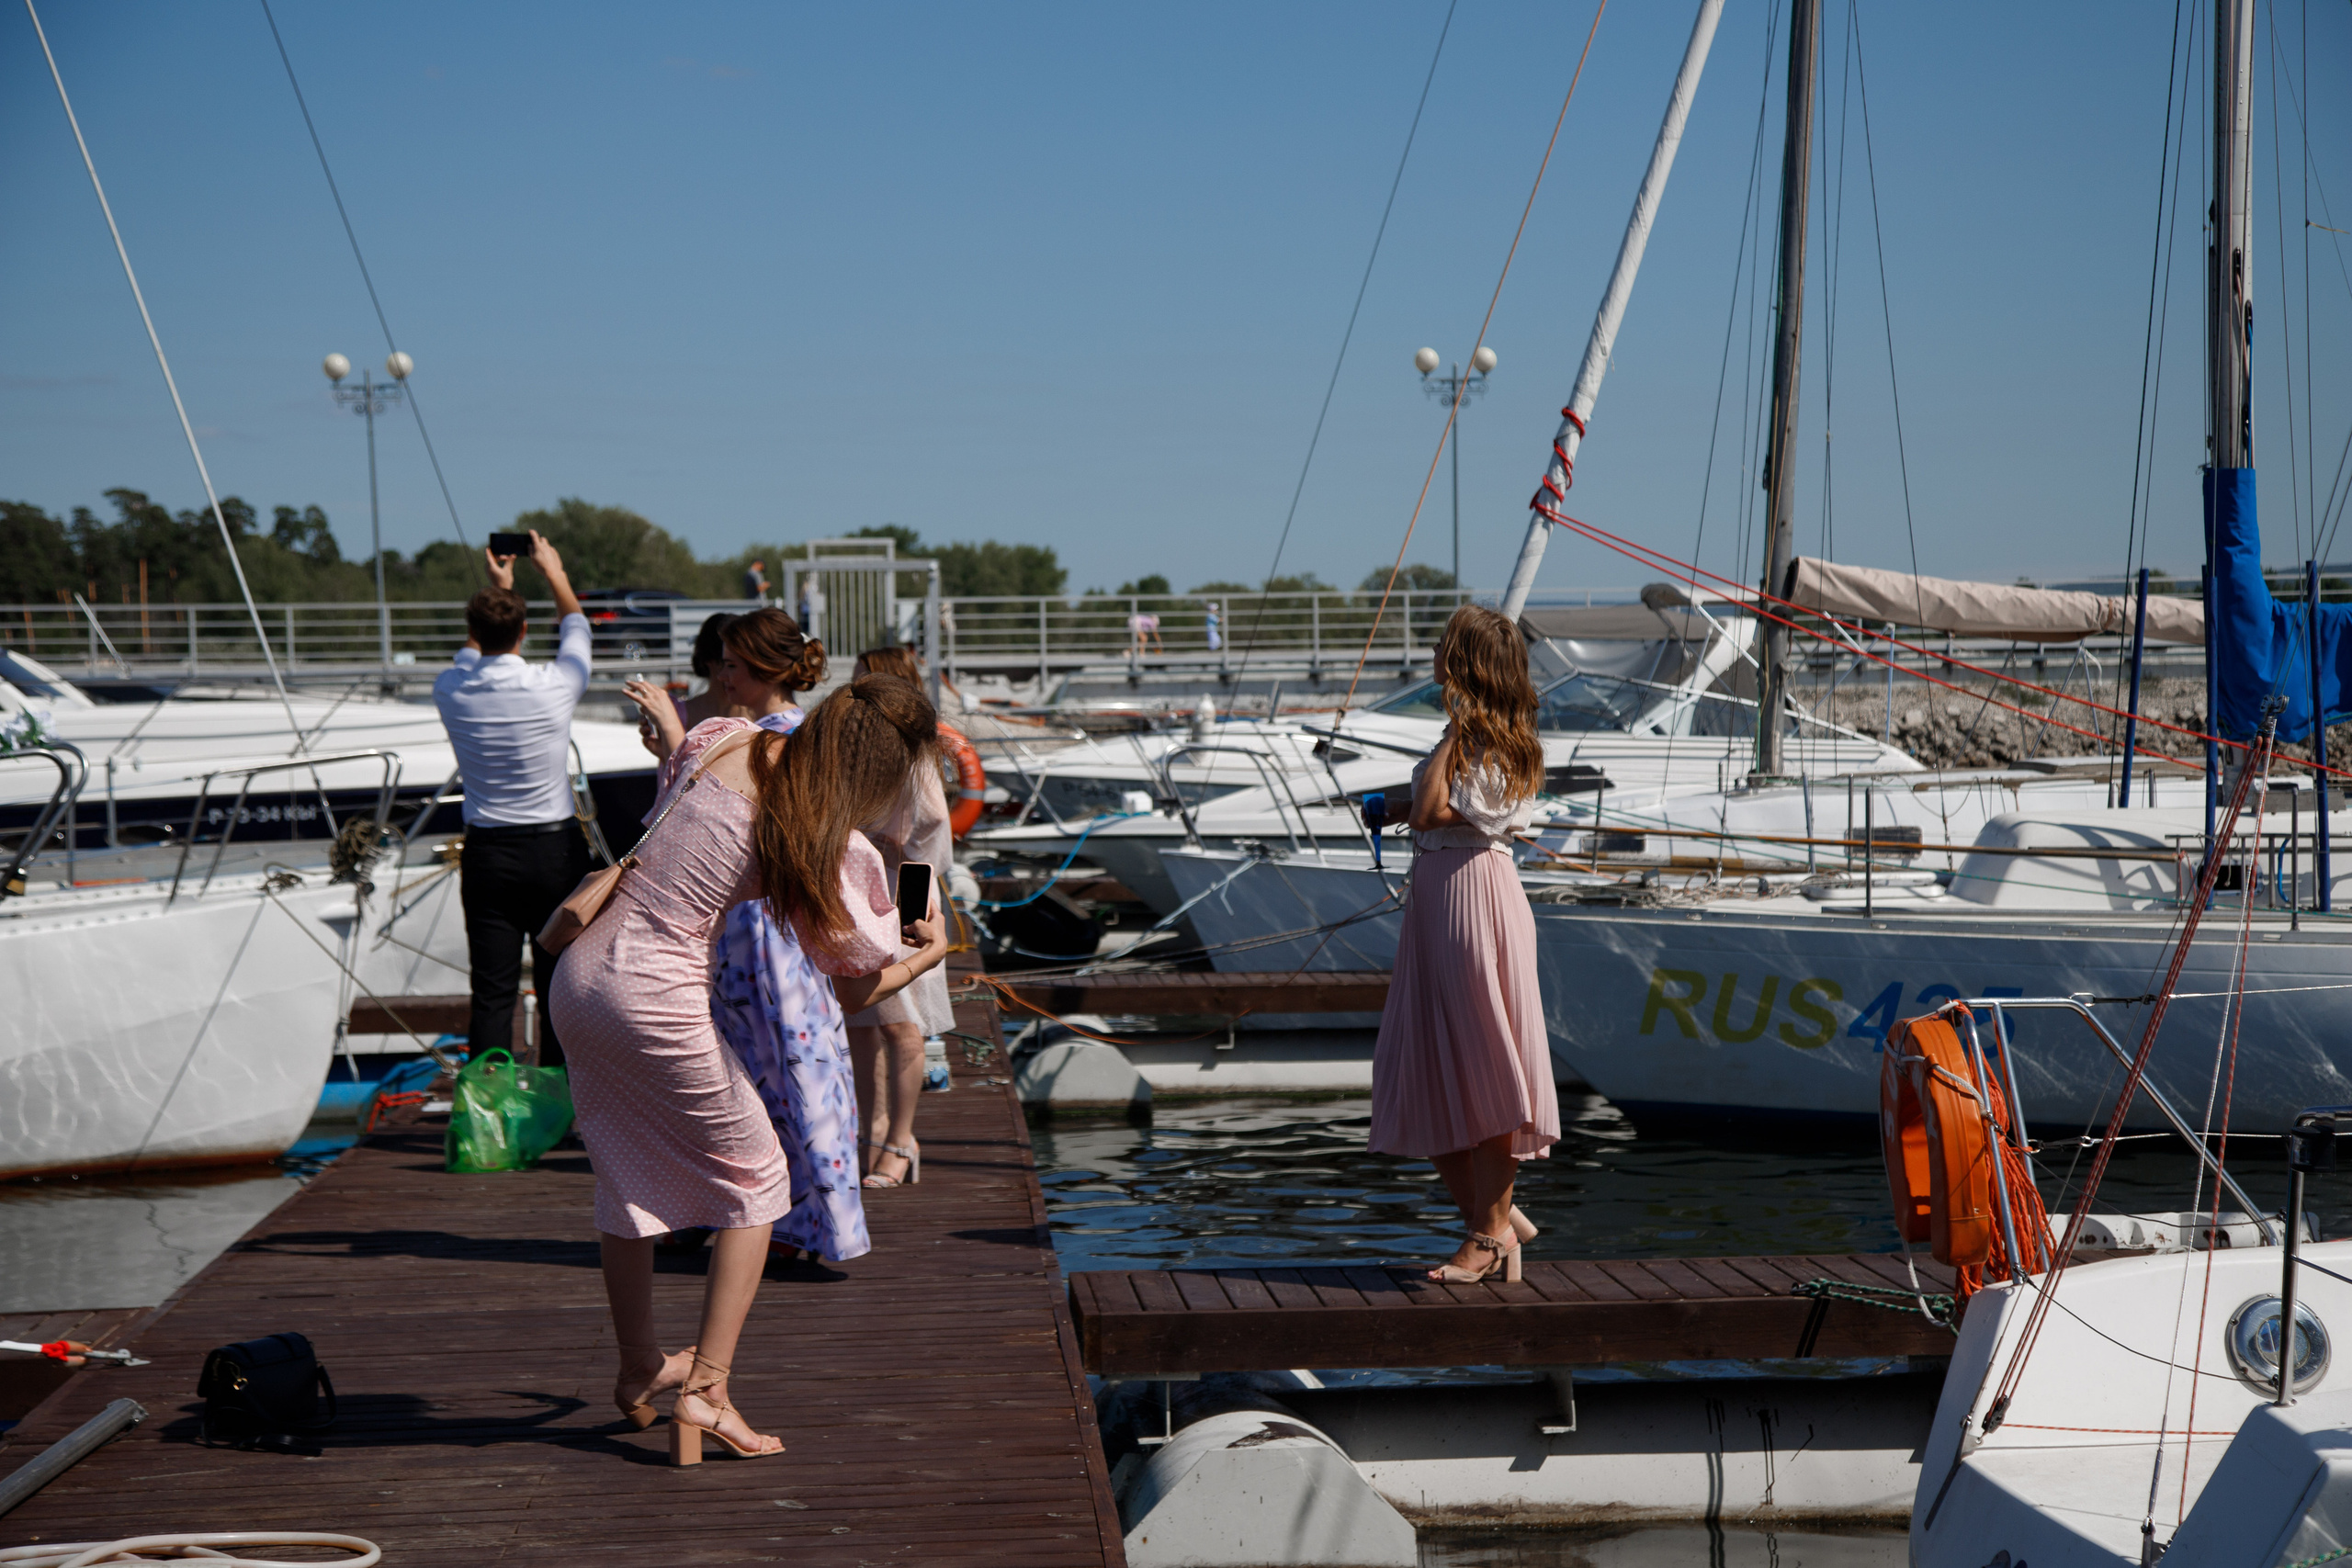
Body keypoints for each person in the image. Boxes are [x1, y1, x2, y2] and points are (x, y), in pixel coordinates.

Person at [551, 675, 949, 1463]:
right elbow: (855, 978)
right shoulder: (809, 831)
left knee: (626, 1177)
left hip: (581, 975)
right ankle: (707, 1391)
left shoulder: (725, 737)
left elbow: (672, 800)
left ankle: (640, 1365)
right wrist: (927, 950)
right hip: (655, 996)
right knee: (760, 1177)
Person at [626, 610, 868, 1262]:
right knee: (749, 1073)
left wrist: (679, 742)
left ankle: (798, 1223)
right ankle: (758, 1214)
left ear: (764, 670)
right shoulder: (762, 732)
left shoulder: (784, 736)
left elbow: (732, 823)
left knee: (783, 1070)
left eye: (732, 663)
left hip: (769, 931)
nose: (720, 673)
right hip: (744, 927)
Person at [1368, 605, 1557, 1283]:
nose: (1435, 657)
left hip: (1480, 901)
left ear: (1470, 664)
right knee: (1421, 1070)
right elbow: (1428, 809)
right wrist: (1391, 802)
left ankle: (1486, 1233)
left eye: (1447, 649)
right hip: (1438, 901)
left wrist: (1450, 739)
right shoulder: (1466, 738)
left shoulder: (1499, 742)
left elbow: (1434, 810)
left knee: (1489, 1070)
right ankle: (1498, 1221)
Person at [432, 530, 591, 1066]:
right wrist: (554, 573)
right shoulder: (555, 684)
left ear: (472, 631)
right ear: (525, 632)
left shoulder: (451, 688)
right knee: (558, 989)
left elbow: (469, 656)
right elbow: (576, 627)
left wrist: (497, 588)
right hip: (555, 853)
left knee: (493, 993)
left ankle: (490, 1116)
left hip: (489, 857)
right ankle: (559, 1108)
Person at [843, 646, 956, 1189]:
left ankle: (901, 1139)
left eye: (864, 684)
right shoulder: (860, 752)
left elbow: (933, 821)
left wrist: (897, 854)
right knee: (862, 1021)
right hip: (865, 884)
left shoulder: (913, 753)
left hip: (904, 884)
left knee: (902, 1023)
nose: (854, 693)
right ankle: (873, 1130)